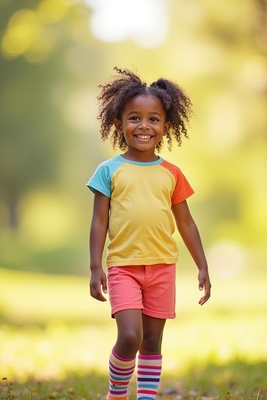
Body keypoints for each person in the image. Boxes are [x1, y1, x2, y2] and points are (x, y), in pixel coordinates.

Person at [87, 67, 211, 400]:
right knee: (130, 337)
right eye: (134, 118)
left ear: (167, 127)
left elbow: (186, 223)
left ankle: (146, 397)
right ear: (118, 123)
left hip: (162, 267)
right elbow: (99, 221)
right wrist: (95, 266)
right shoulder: (109, 171)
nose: (144, 126)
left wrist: (202, 265)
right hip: (123, 266)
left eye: (154, 119)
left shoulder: (171, 173)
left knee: (153, 341)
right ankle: (116, 392)